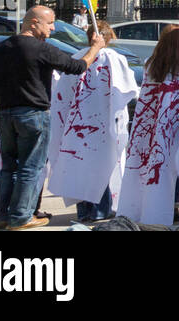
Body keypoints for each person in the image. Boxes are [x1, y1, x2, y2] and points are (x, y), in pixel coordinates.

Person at [0, 6, 104, 230]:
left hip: (5, 114)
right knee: (30, 167)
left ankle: (2, 216)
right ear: (34, 23)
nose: (53, 28)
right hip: (33, 114)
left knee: (9, 166)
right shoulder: (41, 49)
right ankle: (20, 217)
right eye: (50, 23)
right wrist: (95, 48)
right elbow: (76, 67)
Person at [47, 20, 141, 223]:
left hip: (77, 123)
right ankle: (99, 211)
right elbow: (129, 90)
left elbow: (62, 92)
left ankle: (85, 211)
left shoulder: (78, 57)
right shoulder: (113, 58)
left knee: (81, 166)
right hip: (102, 123)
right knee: (101, 167)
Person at [118, 24, 179, 225]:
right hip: (178, 125)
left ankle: (156, 209)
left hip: (153, 125)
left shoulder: (151, 63)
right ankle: (178, 208)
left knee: (158, 168)